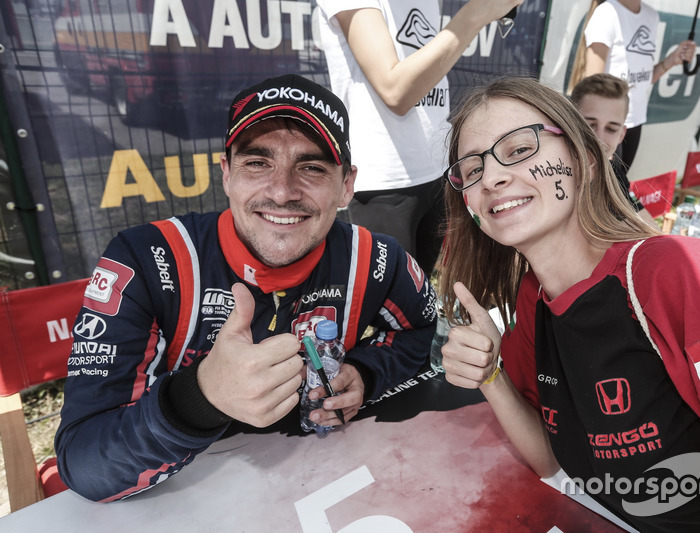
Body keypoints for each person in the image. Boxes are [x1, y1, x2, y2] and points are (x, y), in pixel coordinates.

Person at [437, 76, 700, 530]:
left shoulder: (674, 273)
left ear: (585, 160)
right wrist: (490, 375)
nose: (490, 177)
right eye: (471, 170)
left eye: (518, 149)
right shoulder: (533, 300)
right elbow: (551, 462)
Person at [55, 74, 437, 502]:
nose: (282, 191)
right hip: (185, 503)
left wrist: (366, 373)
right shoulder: (148, 259)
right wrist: (200, 397)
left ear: (346, 185)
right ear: (226, 174)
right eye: (257, 162)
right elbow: (83, 461)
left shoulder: (377, 258)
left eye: (311, 167)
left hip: (322, 485)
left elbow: (420, 331)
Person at [316, 0, 523, 274]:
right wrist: (476, 14)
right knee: (389, 306)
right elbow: (395, 91)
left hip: (436, 171)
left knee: (421, 297)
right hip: (385, 183)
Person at [569, 0, 696, 171]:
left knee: (619, 187)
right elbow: (593, 85)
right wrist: (602, 139)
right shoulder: (607, 13)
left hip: (633, 122)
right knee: (600, 189)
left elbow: (640, 80)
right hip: (607, 126)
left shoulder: (651, 16)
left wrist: (672, 61)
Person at [570, 72, 657, 227]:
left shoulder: (613, 171)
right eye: (590, 125)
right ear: (569, 121)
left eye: (611, 129)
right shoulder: (549, 173)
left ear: (621, 134)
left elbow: (648, 226)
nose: (599, 138)